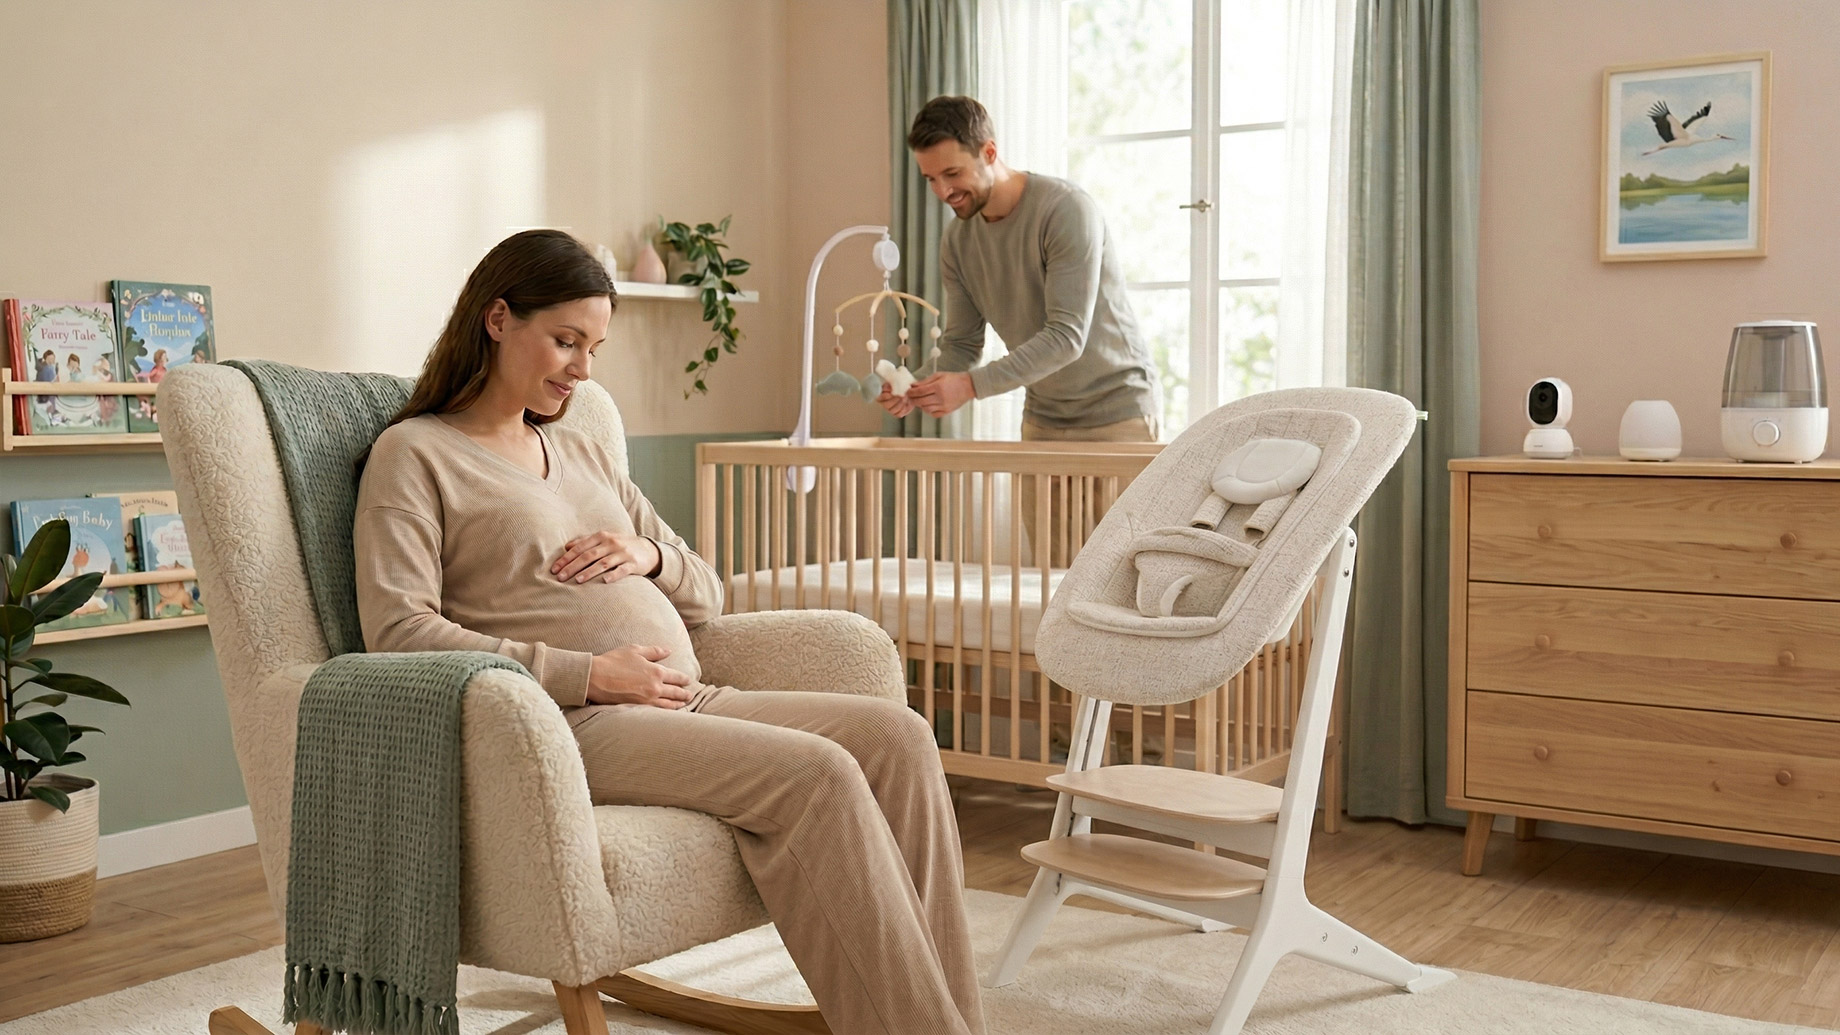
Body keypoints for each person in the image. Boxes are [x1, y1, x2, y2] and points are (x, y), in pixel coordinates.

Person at [353, 230, 984, 1035]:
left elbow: (707, 594)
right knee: (818, 774)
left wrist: (646, 550)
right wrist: (588, 673)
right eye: (566, 341)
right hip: (572, 724)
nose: (584, 369)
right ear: (498, 318)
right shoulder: (416, 455)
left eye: (594, 347)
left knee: (899, 736)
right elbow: (399, 633)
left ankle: (951, 1022)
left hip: (688, 697)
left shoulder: (581, 450)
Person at [883, 95, 1160, 566]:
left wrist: (969, 387)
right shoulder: (958, 241)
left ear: (989, 153)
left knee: (1123, 574)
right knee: (1054, 578)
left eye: (953, 174)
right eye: (930, 179)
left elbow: (1067, 336)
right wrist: (920, 387)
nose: (942, 192)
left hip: (1117, 415)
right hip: (1045, 420)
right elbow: (962, 343)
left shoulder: (1066, 211)